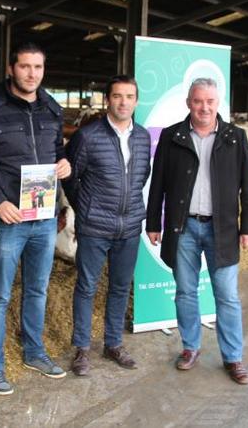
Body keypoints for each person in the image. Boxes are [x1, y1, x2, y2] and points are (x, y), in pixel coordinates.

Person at [146, 77, 248, 385]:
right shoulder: (172, 136)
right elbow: (158, 183)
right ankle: (190, 347)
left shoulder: (235, 137)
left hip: (223, 229)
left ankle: (233, 357)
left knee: (227, 296)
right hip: (183, 227)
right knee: (185, 291)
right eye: (198, 101)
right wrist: (153, 222)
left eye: (209, 101)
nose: (204, 107)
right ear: (188, 103)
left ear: (218, 103)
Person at [0, 42, 71, 395]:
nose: (32, 74)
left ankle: (34, 352)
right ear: (11, 68)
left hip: (43, 217)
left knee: (37, 289)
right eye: (25, 66)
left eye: (38, 67)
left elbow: (57, 151)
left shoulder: (51, 109)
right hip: (10, 220)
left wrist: (64, 164)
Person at [63, 75, 151, 376]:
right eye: (117, 96)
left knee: (120, 286)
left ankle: (113, 344)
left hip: (129, 227)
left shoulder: (143, 137)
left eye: (129, 96)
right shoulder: (87, 136)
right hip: (95, 228)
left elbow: (141, 176)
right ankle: (82, 348)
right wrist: (85, 210)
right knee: (86, 286)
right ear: (107, 100)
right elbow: (71, 177)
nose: (123, 102)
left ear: (136, 101)